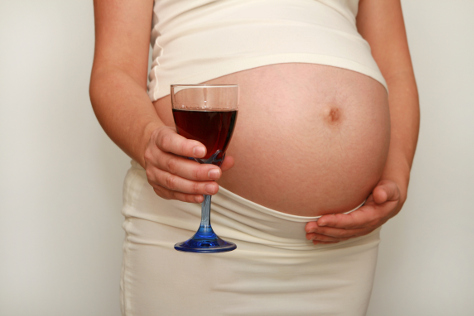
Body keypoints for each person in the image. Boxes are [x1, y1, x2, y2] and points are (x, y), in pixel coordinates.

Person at [90, 0, 419, 315]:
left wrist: (397, 171)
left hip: (343, 249)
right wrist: (147, 139)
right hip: (205, 220)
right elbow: (114, 70)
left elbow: (395, 68)